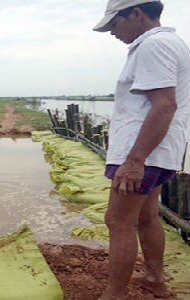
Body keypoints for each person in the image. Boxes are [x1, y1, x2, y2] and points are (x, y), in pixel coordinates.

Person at [93, 0, 190, 299]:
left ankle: (115, 294)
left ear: (136, 13)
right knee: (147, 216)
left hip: (143, 151)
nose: (112, 32)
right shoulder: (171, 43)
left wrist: (135, 160)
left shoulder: (153, 46)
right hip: (158, 151)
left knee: (118, 221)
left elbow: (164, 104)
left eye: (114, 24)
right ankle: (154, 278)